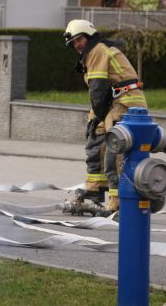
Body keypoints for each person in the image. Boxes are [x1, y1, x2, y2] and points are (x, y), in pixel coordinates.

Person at [64, 19, 147, 213]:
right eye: (73, 43)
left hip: (127, 103)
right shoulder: (92, 53)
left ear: (89, 36)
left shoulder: (97, 50)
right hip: (113, 102)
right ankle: (95, 189)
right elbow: (99, 94)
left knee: (113, 151)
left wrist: (99, 114)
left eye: (79, 40)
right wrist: (95, 119)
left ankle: (117, 201)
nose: (77, 45)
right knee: (95, 140)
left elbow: (98, 89)